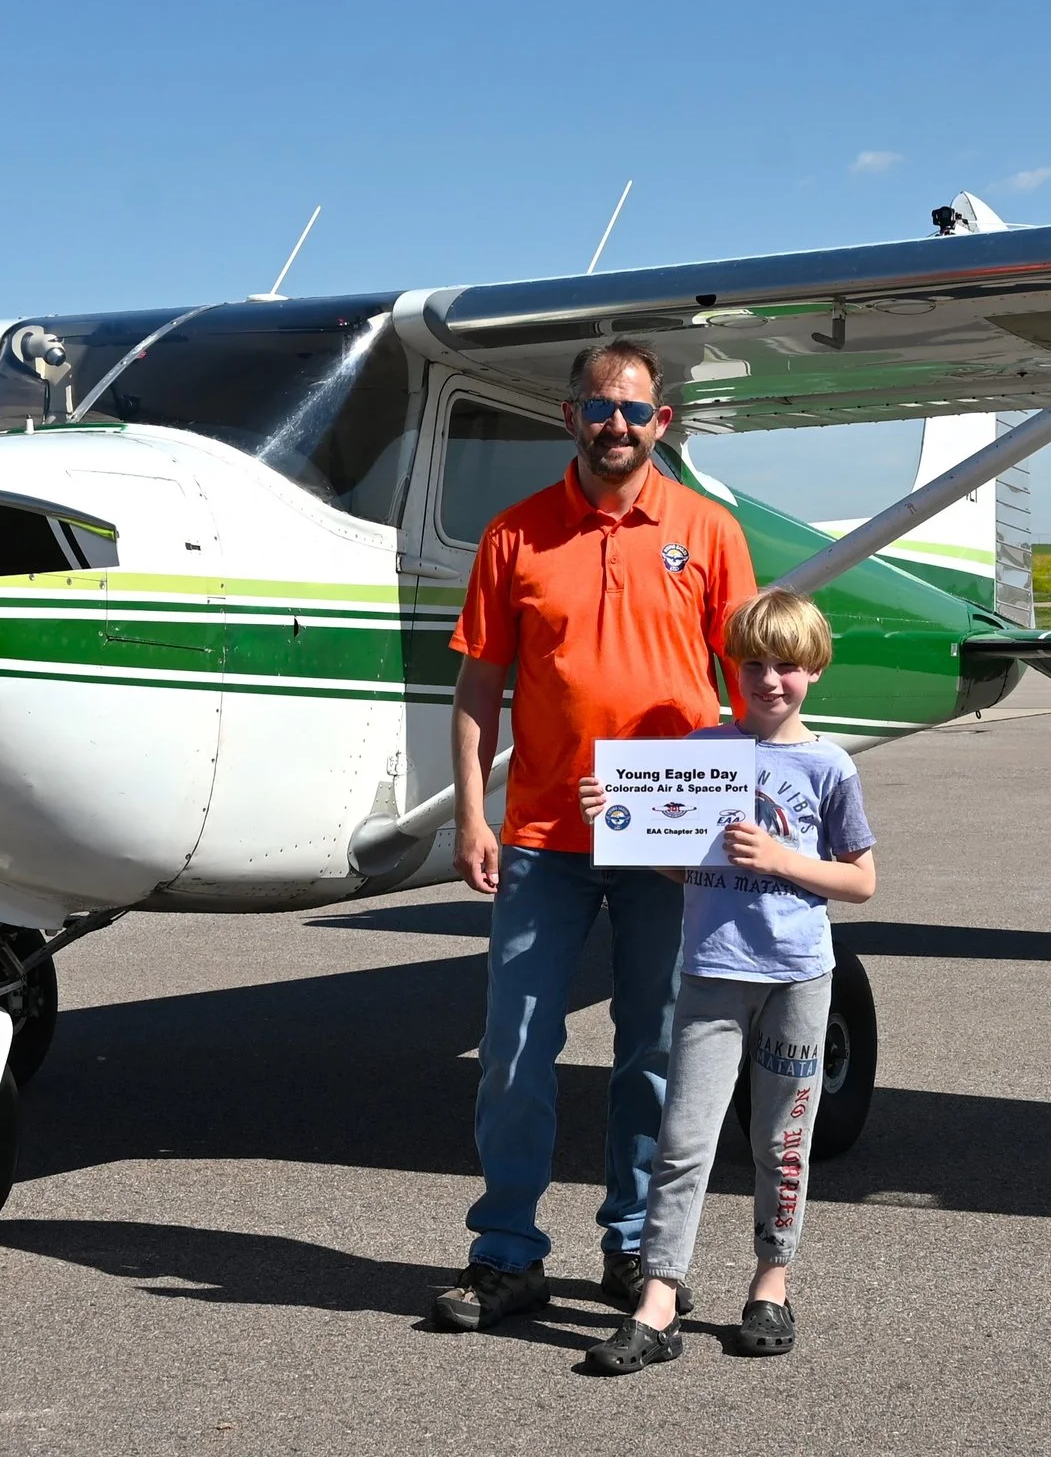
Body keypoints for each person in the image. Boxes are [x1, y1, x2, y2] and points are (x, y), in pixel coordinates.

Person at [430, 338, 757, 1332]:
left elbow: (746, 679)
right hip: (542, 832)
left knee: (653, 1051)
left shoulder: (707, 530)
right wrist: (471, 813)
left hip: (669, 827)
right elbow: (479, 684)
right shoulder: (515, 535)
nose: (619, 425)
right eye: (601, 407)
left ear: (662, 423)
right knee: (516, 1049)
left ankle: (634, 1247)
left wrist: (752, 806)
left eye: (637, 411)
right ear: (570, 415)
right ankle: (506, 1254)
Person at [572, 588, 877, 1374]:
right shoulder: (707, 752)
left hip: (800, 978)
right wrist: (619, 820)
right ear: (731, 668)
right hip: (711, 973)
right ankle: (659, 1301)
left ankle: (771, 1284)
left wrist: (781, 860)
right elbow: (685, 865)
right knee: (684, 1140)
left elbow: (861, 881)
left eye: (785, 664)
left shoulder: (827, 766)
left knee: (782, 1143)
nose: (768, 679)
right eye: (752, 663)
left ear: (813, 669)